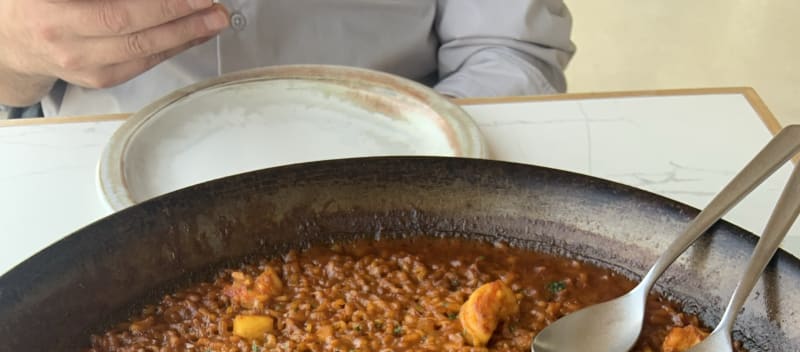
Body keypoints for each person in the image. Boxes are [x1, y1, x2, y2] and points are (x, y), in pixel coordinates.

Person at [0, 0, 574, 119]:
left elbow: (510, 52)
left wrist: (414, 169)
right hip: (89, 180)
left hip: (406, 173)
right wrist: (15, 50)